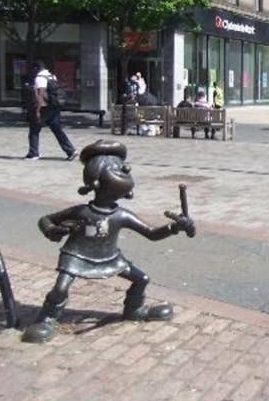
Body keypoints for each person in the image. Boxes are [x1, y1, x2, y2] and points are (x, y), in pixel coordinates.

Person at [21, 140, 195, 343]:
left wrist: (174, 227)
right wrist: (52, 230)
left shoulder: (121, 215)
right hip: (76, 256)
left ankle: (135, 310)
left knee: (141, 279)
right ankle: (47, 318)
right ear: (95, 179)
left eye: (123, 168)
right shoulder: (81, 212)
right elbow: (46, 220)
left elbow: (151, 233)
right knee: (60, 288)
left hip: (110, 257)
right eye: (115, 168)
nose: (125, 170)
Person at [23, 61, 77, 161]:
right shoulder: (52, 76)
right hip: (54, 107)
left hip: (44, 108)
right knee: (57, 130)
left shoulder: (40, 78)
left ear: (36, 68)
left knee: (34, 130)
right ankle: (70, 150)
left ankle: (33, 153)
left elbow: (41, 94)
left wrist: (38, 110)